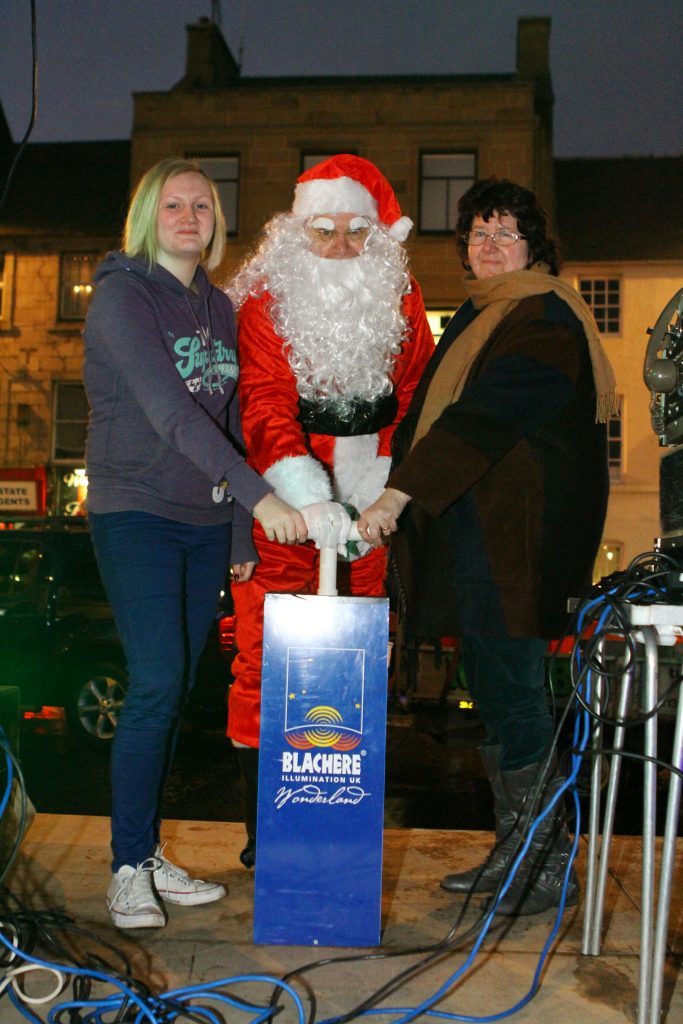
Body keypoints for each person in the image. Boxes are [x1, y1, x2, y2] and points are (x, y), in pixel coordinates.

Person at [358, 177, 616, 916]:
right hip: (482, 546)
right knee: (502, 698)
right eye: (476, 235)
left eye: (505, 233)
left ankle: (542, 862)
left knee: (513, 696)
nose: (488, 246)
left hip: (514, 550)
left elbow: (487, 413)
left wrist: (400, 493)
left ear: (533, 248)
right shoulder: (481, 318)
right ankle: (522, 853)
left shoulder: (542, 319)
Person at [83, 157, 310, 930]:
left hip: (203, 522)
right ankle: (124, 865)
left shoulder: (218, 307)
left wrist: (240, 524)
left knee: (176, 689)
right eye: (173, 205)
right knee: (154, 682)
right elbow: (172, 416)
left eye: (202, 206)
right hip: (137, 510)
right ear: (148, 217)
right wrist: (263, 497)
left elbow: (232, 422)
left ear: (216, 221)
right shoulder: (122, 296)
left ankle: (146, 854)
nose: (189, 217)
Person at [226, 154, 435, 867]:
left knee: (356, 661)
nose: (341, 246)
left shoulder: (400, 298)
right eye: (324, 230)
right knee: (265, 663)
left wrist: (387, 489)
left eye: (356, 231)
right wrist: (310, 500)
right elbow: (261, 401)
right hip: (285, 510)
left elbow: (414, 396)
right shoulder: (266, 301)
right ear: (295, 229)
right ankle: (266, 831)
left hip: (371, 511)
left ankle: (339, 823)